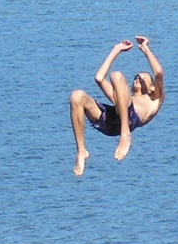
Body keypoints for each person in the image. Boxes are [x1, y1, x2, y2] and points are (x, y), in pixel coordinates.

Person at [70, 36, 165, 176]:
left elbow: (158, 73)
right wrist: (116, 50)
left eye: (143, 77)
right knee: (76, 96)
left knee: (116, 75)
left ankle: (125, 134)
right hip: (110, 122)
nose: (138, 77)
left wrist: (145, 48)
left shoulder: (154, 98)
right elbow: (99, 78)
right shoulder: (123, 97)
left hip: (129, 122)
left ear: (152, 86)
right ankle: (81, 151)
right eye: (136, 77)